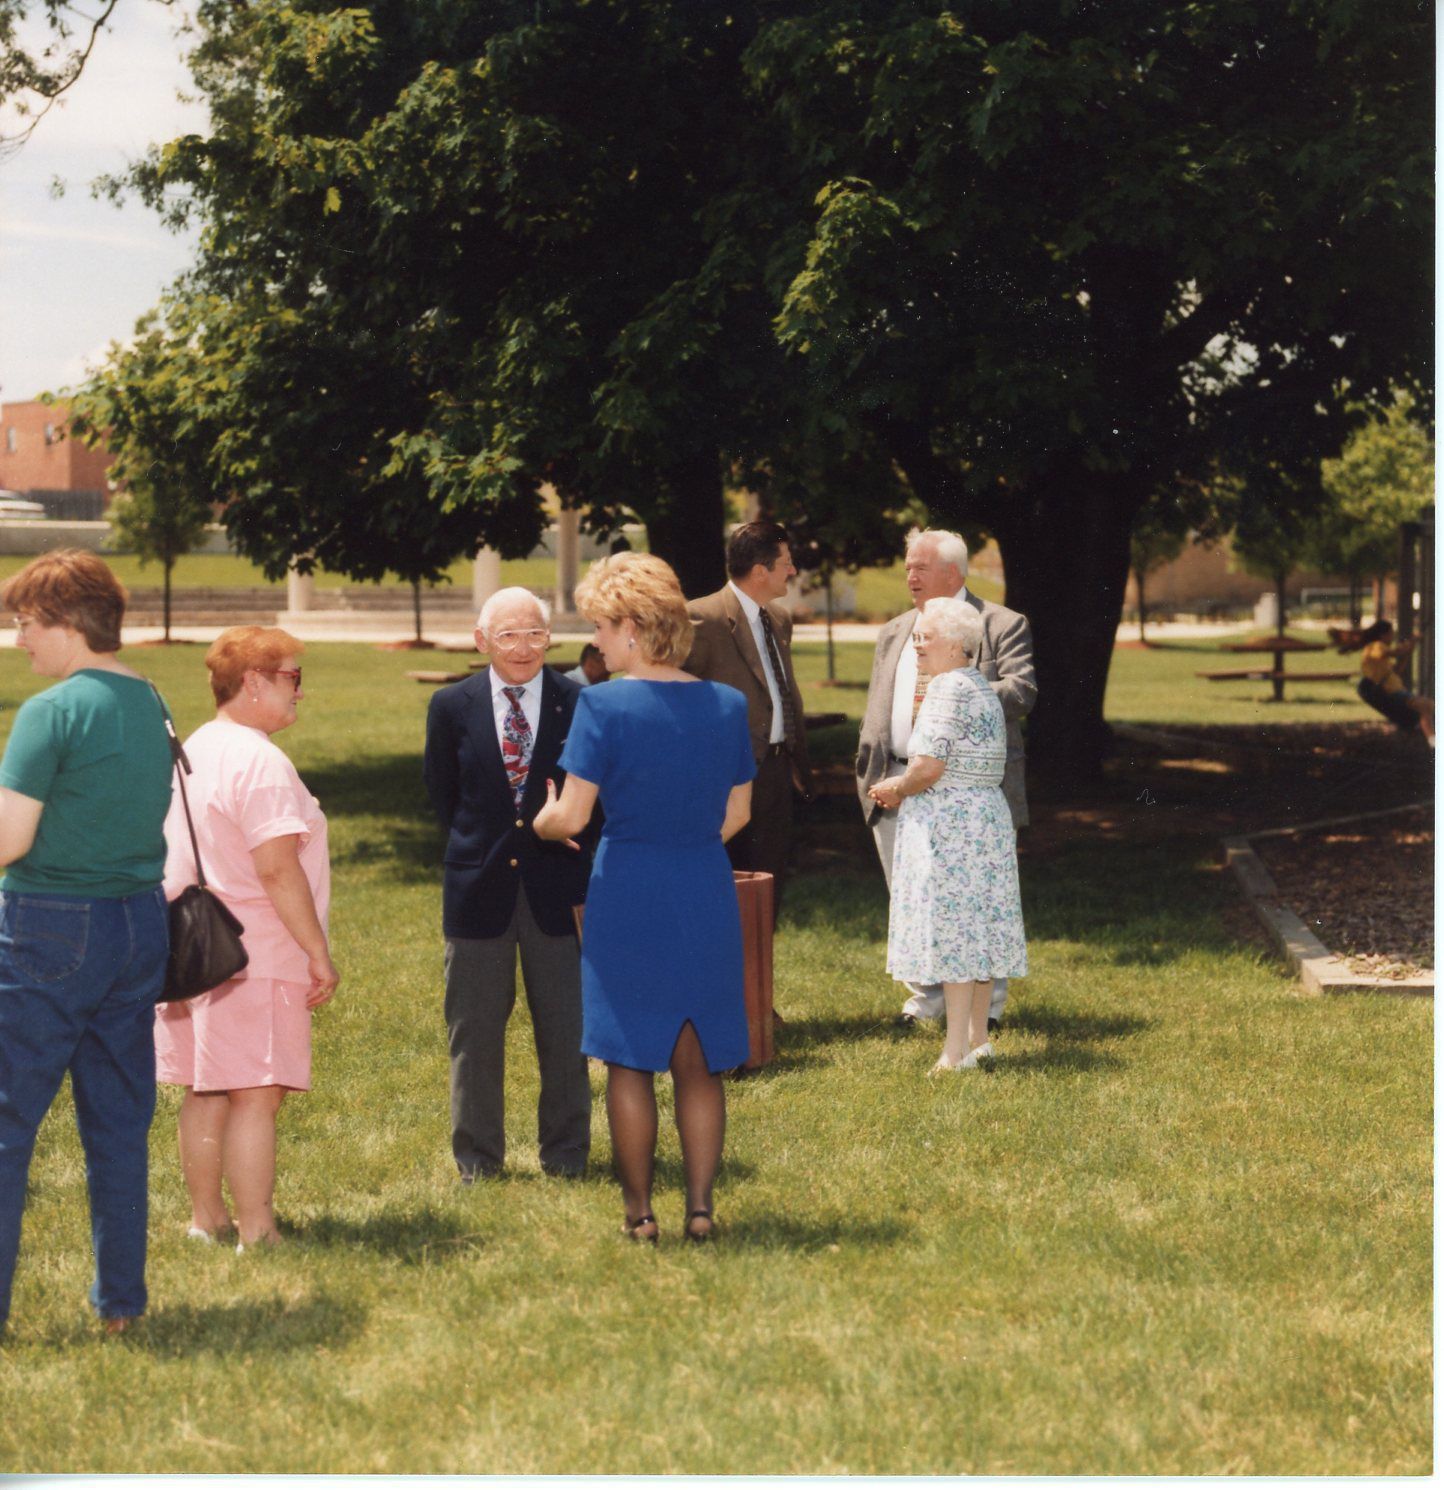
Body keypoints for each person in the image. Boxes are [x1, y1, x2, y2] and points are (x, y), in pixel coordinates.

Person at [534, 553, 754, 1244]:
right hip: (703, 888)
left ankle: (640, 1215)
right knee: (699, 1060)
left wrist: (541, 821)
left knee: (628, 1059)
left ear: (631, 627)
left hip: (627, 889)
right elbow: (739, 814)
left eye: (601, 626)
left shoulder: (601, 705)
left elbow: (571, 817)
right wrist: (686, 841)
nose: (595, 641)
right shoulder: (728, 705)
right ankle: (701, 1210)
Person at [0, 550, 172, 1335]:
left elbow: (10, 839)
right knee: (118, 1124)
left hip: (50, 927)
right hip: (139, 924)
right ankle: (121, 1306)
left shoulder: (51, 711)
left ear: (65, 622)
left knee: (7, 1125)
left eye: (24, 624)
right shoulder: (150, 698)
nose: (18, 641)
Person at [154, 627, 338, 1251]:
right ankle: (257, 1230)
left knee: (206, 1089)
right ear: (254, 682)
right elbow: (276, 868)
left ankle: (207, 1218)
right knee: (256, 1095)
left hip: (193, 951)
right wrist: (317, 952)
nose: (300, 691)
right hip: (257, 951)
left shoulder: (196, 748)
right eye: (292, 677)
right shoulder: (260, 762)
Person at [423, 587, 593, 1181]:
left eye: (535, 634)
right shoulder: (451, 706)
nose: (523, 648)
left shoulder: (581, 703)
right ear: (482, 641)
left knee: (567, 1030)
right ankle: (477, 1160)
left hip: (559, 890)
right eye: (508, 635)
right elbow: (444, 796)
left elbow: (595, 798)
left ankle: (566, 1155)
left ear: (551, 637)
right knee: (473, 1033)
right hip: (477, 892)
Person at [855, 528, 1035, 1031]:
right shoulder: (896, 629)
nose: (909, 576)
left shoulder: (1000, 623)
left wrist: (960, 694)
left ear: (952, 572)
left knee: (975, 903)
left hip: (965, 788)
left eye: (920, 567)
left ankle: (986, 1011)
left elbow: (1022, 691)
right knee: (915, 896)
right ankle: (926, 999)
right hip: (896, 774)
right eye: (907, 567)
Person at [684, 520, 813, 917]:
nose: (792, 570)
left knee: (767, 888)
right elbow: (676, 701)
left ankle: (758, 957)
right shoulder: (701, 618)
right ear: (760, 571)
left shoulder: (780, 618)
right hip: (724, 779)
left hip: (777, 773)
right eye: (786, 563)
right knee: (726, 888)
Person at [1354, 620, 1434, 745]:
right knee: (1426, 706)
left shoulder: (1381, 657)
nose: (1393, 637)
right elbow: (1394, 653)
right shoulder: (1376, 645)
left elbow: (1396, 670)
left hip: (1396, 690)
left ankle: (1429, 738)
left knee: (1428, 707)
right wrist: (1410, 643)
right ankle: (1433, 741)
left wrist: (1408, 651)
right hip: (1391, 691)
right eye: (1391, 634)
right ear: (1383, 635)